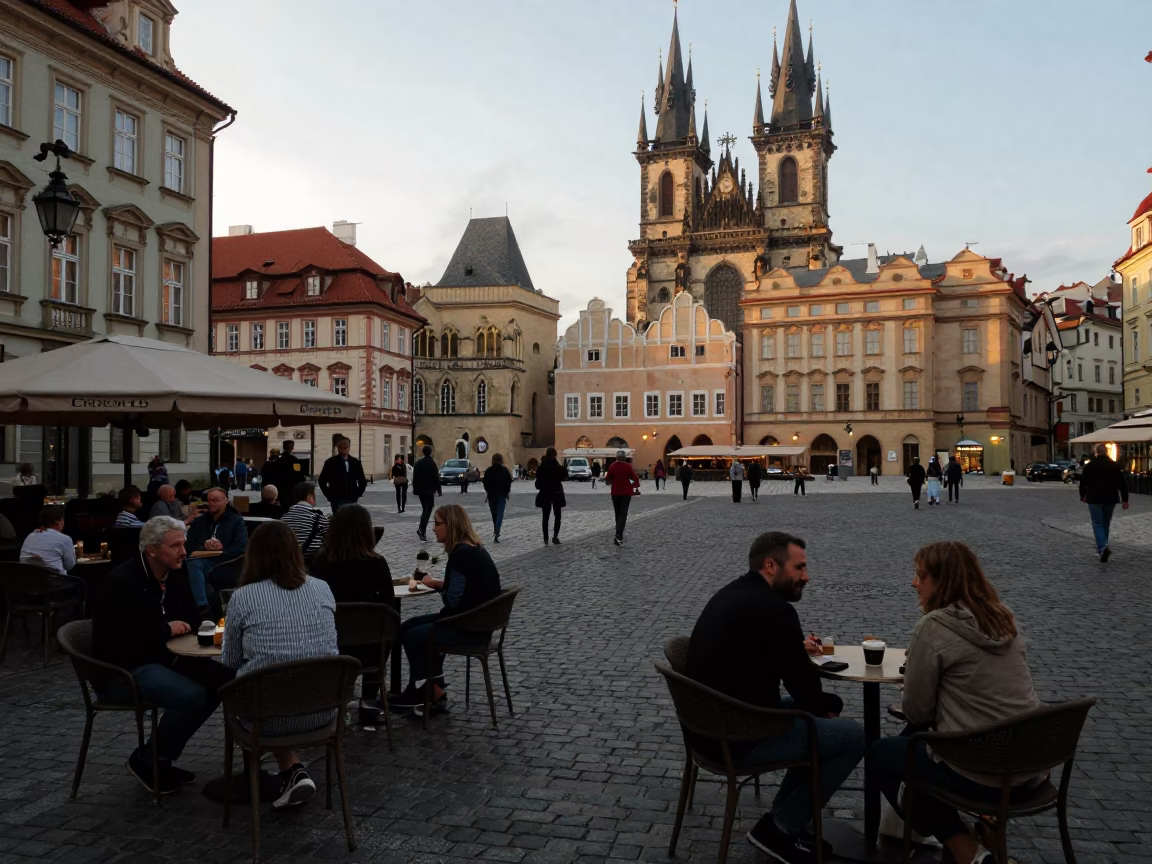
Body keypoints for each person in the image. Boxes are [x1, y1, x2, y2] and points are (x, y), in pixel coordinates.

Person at [687, 532, 865, 864]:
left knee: (817, 722)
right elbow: (804, 688)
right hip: (739, 735)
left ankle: (783, 822)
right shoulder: (774, 609)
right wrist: (829, 707)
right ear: (771, 565)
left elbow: (752, 651)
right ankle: (781, 828)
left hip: (709, 725)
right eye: (799, 567)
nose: (806, 576)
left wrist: (795, 652)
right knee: (851, 736)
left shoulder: (734, 594)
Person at [867, 542, 1042, 864]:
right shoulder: (1005, 618)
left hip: (983, 771)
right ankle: (983, 830)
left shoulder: (933, 627)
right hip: (1030, 767)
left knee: (883, 755)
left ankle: (964, 847)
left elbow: (918, 711)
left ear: (941, 581)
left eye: (920, 575)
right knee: (911, 748)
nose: (913, 582)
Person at [92, 516, 235, 795]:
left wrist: (207, 627)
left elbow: (192, 618)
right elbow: (113, 642)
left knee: (229, 682)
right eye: (175, 546)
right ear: (152, 550)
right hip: (123, 669)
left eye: (184, 544)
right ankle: (149, 760)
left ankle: (160, 757)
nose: (183, 551)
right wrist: (163, 630)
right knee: (192, 697)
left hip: (167, 658)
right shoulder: (120, 582)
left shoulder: (177, 573)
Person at [222, 520, 337, 809]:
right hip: (323, 711)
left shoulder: (243, 597)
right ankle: (292, 771)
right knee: (281, 686)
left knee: (256, 692)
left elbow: (231, 661)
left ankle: (280, 771)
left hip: (266, 718)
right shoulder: (322, 589)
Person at [392, 505, 501, 712]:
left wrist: (442, 588)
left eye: (438, 523)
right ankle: (436, 687)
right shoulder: (475, 549)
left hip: (469, 627)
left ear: (451, 526)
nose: (433, 528)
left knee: (413, 636)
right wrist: (437, 583)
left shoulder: (461, 556)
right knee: (408, 626)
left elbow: (452, 602)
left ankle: (424, 693)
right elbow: (465, 587)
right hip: (477, 621)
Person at [309, 504, 392, 727]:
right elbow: (389, 605)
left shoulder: (321, 562)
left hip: (332, 644)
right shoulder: (376, 563)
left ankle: (335, 699)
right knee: (385, 631)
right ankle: (368, 701)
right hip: (371, 647)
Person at [184, 487, 248, 617]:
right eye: (209, 500)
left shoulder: (235, 521)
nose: (212, 503)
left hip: (226, 561)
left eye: (216, 500)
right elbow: (188, 545)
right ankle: (204, 609)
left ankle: (202, 607)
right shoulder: (200, 521)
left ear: (225, 501)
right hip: (201, 559)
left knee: (194, 566)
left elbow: (241, 547)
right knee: (192, 564)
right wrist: (204, 546)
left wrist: (221, 550)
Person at [1078, 442, 1129, 562]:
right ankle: (1103, 547)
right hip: (1110, 498)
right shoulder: (1114, 466)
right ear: (1106, 452)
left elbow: (1083, 482)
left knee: (1097, 523)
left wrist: (1082, 495)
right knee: (1105, 523)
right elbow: (1123, 484)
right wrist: (1125, 500)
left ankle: (1102, 547)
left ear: (1096, 452)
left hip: (1094, 497)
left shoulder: (1089, 466)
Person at [20, 504, 75, 575]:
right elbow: (69, 565)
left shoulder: (30, 536)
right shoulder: (65, 539)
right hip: (56, 583)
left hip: (29, 582)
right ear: (59, 523)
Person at [281, 481, 329, 561]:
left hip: (291, 558)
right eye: (314, 495)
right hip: (312, 558)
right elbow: (328, 536)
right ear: (309, 496)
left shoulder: (285, 517)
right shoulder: (318, 515)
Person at [318, 436, 367, 513]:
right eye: (341, 448)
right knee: (339, 520)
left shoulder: (355, 462)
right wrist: (329, 495)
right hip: (337, 498)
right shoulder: (330, 462)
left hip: (352, 497)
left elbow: (362, 480)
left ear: (349, 447)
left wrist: (358, 493)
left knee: (351, 519)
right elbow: (322, 480)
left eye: (345, 448)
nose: (343, 450)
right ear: (337, 447)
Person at [605, 451, 640, 546]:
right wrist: (632, 484)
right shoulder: (628, 466)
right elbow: (634, 478)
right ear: (624, 458)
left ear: (617, 457)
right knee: (623, 514)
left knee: (617, 513)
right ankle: (619, 535)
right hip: (626, 493)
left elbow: (608, 479)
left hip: (615, 493)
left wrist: (614, 481)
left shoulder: (613, 466)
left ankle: (618, 532)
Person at [534, 447, 567, 545]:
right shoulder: (558, 466)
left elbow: (537, 484)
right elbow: (564, 476)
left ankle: (545, 537)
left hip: (545, 493)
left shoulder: (541, 467)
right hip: (556, 493)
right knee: (557, 515)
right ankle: (555, 537)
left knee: (545, 516)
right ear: (555, 455)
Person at [412, 446, 442, 542]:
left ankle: (422, 529)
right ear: (430, 452)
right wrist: (439, 489)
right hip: (429, 490)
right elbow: (436, 477)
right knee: (427, 510)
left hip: (420, 490)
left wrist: (415, 489)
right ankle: (422, 529)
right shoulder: (431, 463)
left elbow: (415, 477)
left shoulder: (418, 463)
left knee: (425, 509)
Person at [482, 453, 513, 543]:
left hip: (491, 495)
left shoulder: (488, 470)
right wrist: (506, 492)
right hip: (501, 495)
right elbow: (508, 482)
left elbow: (485, 482)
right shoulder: (504, 470)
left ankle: (496, 530)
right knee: (500, 514)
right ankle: (497, 531)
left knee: (494, 515)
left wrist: (488, 491)